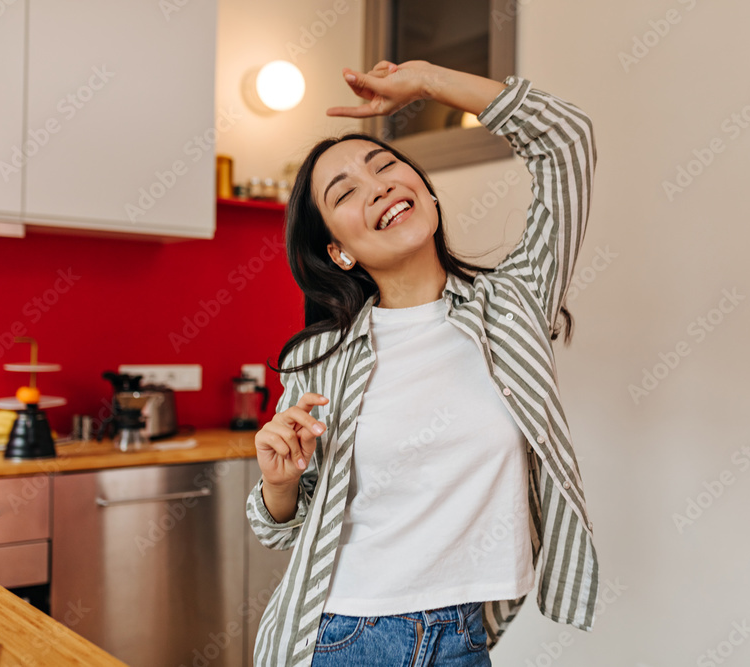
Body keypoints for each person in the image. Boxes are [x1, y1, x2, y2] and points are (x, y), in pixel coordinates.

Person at [246, 59, 600, 667]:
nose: (377, 185)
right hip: (345, 637)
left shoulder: (512, 305)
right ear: (339, 251)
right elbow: (281, 527)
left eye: (385, 166)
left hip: (464, 636)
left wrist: (429, 83)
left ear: (424, 188)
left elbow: (565, 140)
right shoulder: (318, 359)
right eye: (346, 191)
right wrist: (278, 482)